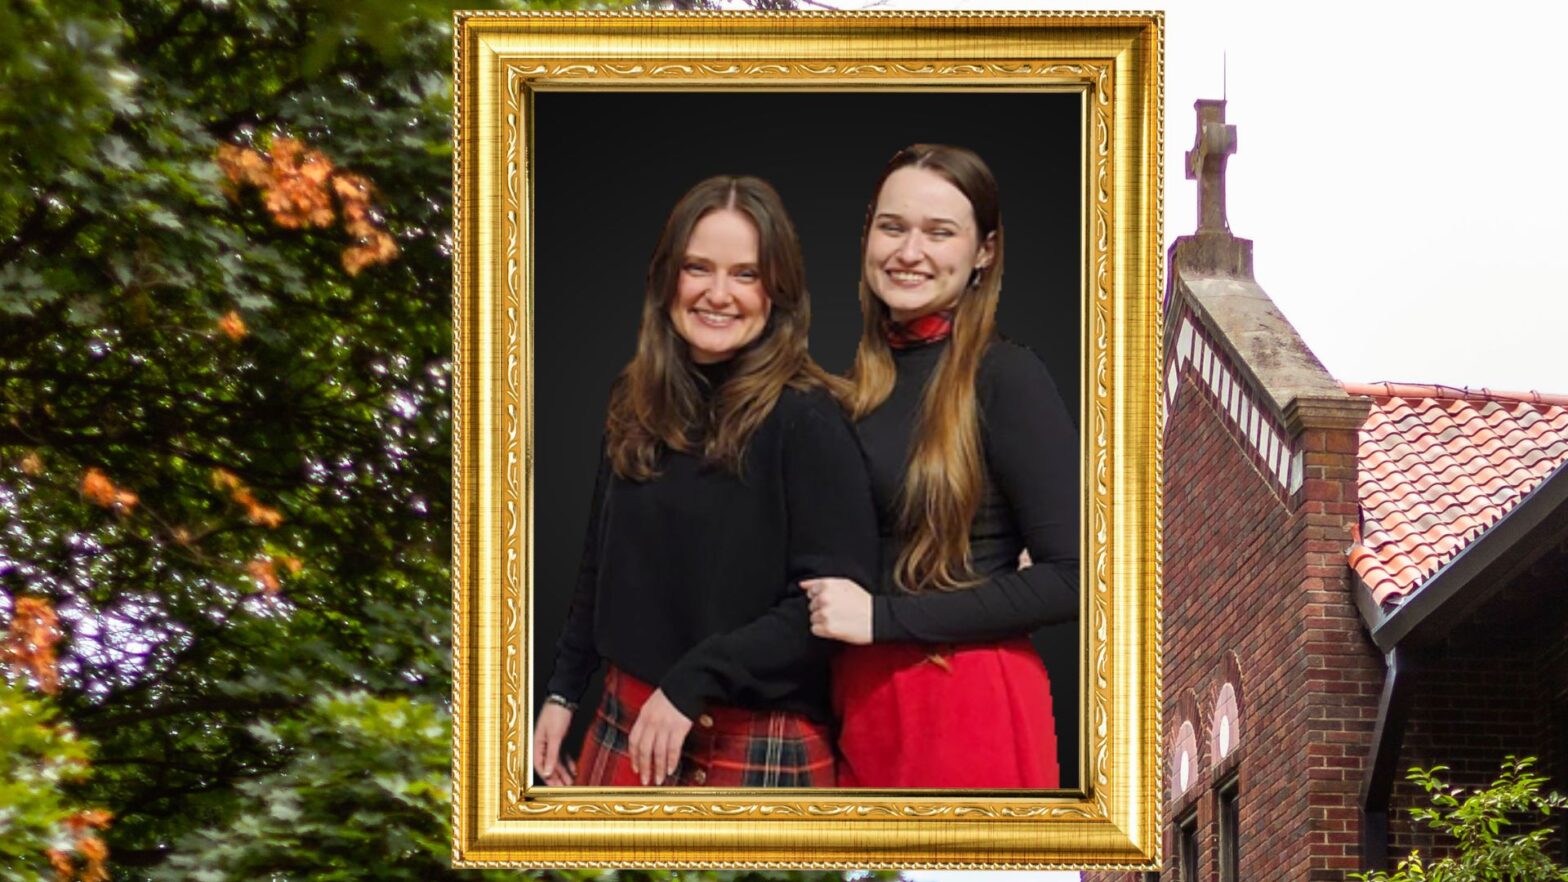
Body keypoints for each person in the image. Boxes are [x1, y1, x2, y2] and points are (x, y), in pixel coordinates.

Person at [534, 175, 878, 789]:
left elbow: (825, 612)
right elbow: (598, 561)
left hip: (752, 746)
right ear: (667, 279)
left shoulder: (808, 419)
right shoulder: (636, 399)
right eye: (699, 268)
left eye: (745, 274)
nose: (719, 294)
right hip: (625, 722)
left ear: (777, 291)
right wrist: (562, 691)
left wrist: (694, 679)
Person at [802, 144, 1079, 788]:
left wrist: (882, 618)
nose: (909, 251)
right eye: (892, 227)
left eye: (939, 232)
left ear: (983, 251)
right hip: (858, 704)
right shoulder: (853, 390)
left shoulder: (1007, 377)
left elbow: (1077, 577)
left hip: (965, 705)